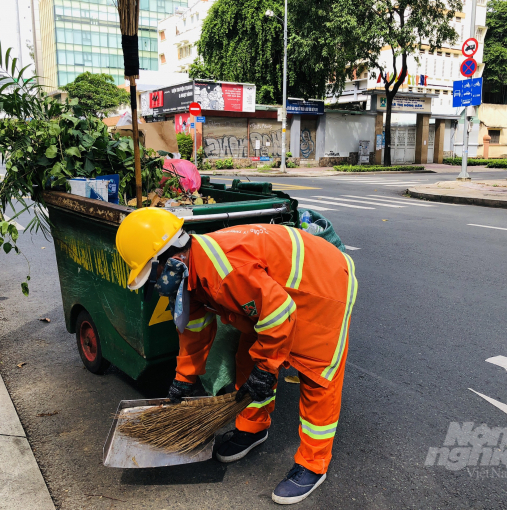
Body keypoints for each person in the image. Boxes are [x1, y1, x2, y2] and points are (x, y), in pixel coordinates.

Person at [116, 208, 357, 505]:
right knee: (247, 359)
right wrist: (184, 379)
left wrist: (268, 368)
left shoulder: (226, 270)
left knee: (316, 374)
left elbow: (279, 313)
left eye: (151, 275)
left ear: (168, 258)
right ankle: (253, 428)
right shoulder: (190, 273)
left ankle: (313, 464)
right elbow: (194, 330)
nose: (153, 284)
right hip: (276, 294)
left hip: (321, 284)